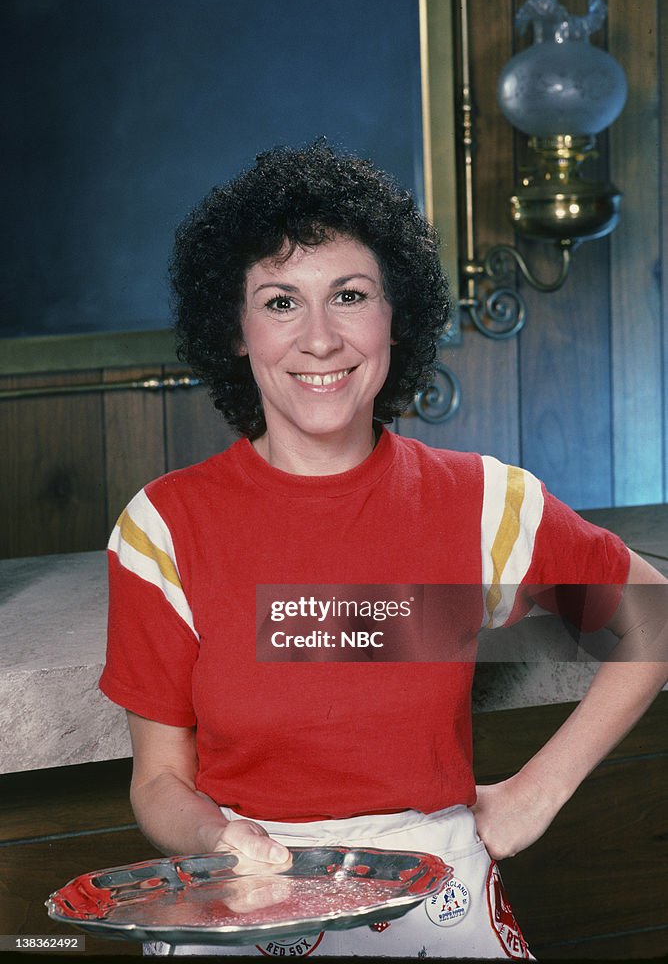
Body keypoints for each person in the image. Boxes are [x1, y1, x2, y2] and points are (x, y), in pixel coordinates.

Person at [99, 141, 668, 959]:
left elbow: (651, 621)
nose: (321, 339)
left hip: (438, 897)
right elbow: (158, 782)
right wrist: (218, 838)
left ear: (395, 315)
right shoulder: (163, 529)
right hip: (237, 890)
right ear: (235, 329)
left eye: (351, 295)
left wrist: (536, 794)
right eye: (281, 302)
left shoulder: (484, 507)